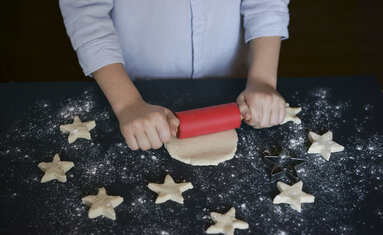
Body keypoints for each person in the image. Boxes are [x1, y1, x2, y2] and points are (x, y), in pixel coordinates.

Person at [59, 0, 290, 151]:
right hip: (134, 88)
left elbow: (266, 3)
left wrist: (262, 80)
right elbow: (85, 13)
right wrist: (127, 103)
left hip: (232, 82)